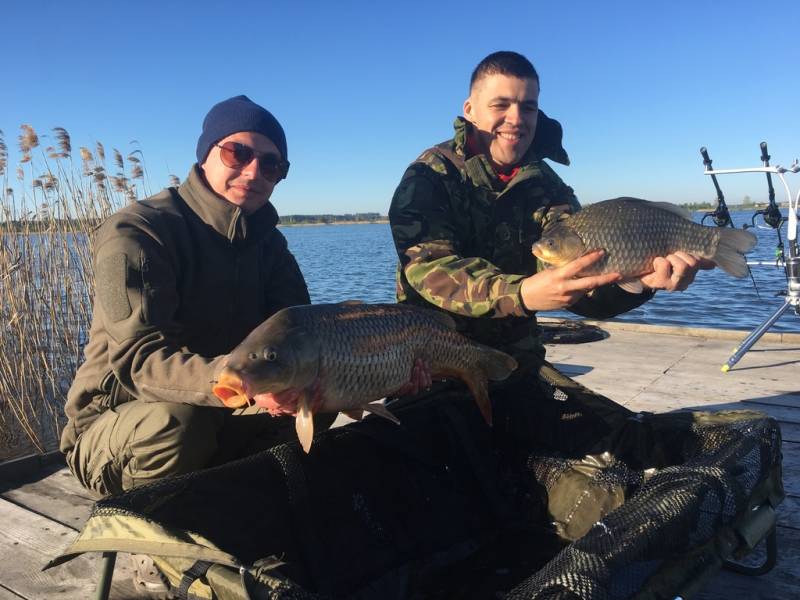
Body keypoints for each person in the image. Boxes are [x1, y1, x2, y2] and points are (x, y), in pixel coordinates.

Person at [388, 51, 711, 447]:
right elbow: (428, 270)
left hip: (517, 369)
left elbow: (585, 296)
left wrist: (643, 284)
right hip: (431, 365)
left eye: (528, 106)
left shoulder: (550, 188)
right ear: (470, 110)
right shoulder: (430, 176)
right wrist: (521, 294)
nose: (516, 118)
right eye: (500, 105)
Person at [61, 95, 331, 500]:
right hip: (119, 426)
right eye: (237, 153)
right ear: (206, 155)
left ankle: (243, 506)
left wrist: (380, 368)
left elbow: (301, 331)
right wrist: (242, 382)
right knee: (179, 422)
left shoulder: (269, 244)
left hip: (225, 410)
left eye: (271, 164)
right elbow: (139, 362)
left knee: (320, 402)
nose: (254, 171)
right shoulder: (139, 231)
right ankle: (158, 533)